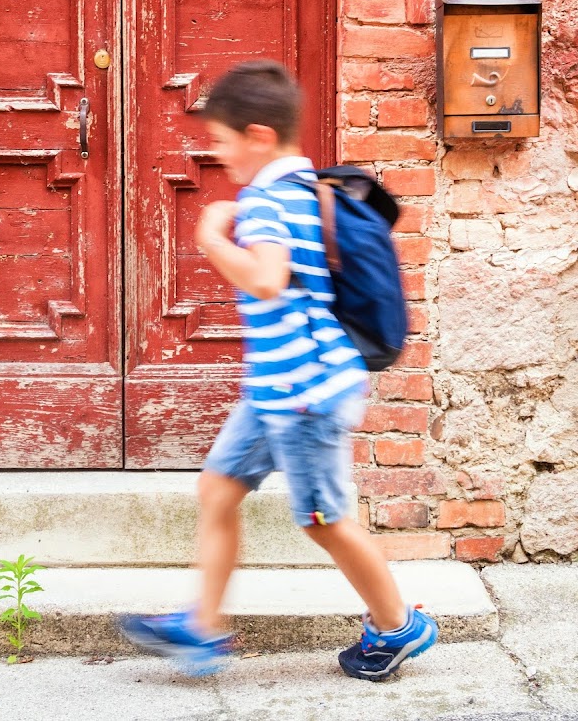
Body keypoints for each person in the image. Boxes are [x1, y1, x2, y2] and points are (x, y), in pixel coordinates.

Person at [119, 60, 438, 681]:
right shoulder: (306, 190)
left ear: (259, 137)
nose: (217, 156)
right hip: (278, 389)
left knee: (324, 520)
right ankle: (203, 627)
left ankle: (397, 625)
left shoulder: (266, 200)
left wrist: (212, 238)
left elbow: (266, 280)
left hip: (304, 396)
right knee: (218, 488)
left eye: (221, 142)